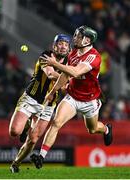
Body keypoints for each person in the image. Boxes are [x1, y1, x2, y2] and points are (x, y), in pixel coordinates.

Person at [30, 25, 113, 169]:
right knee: (56, 122)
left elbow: (75, 72)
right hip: (73, 97)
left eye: (78, 36)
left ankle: (106, 129)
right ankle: (41, 156)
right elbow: (65, 75)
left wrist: (55, 63)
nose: (75, 38)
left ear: (87, 40)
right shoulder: (73, 53)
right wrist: (53, 91)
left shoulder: (94, 57)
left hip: (90, 100)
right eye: (76, 35)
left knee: (92, 129)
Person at [9, 34, 71, 173]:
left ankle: (16, 163)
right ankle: (25, 125)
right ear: (54, 46)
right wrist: (71, 78)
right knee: (14, 132)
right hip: (31, 98)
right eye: (60, 43)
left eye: (66, 45)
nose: (62, 46)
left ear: (68, 48)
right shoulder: (46, 56)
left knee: (32, 140)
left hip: (49, 105)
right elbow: (50, 74)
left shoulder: (69, 64)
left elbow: (62, 87)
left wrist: (67, 82)